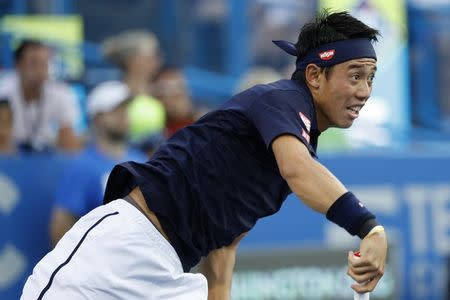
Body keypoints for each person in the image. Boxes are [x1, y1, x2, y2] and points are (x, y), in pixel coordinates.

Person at [21, 10, 388, 299]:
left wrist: (220, 295)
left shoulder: (293, 145)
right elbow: (299, 169)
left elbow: (225, 242)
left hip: (169, 272)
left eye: (370, 78)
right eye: (355, 76)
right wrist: (368, 228)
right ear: (313, 75)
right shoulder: (280, 100)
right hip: (118, 249)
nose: (364, 90)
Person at [49, 81, 146, 245]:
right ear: (97, 119)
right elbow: (60, 228)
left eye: (125, 109)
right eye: (115, 110)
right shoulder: (81, 167)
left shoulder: (142, 160)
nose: (124, 115)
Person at [0, 39, 82, 152]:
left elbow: (69, 140)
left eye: (45, 63)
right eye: (34, 62)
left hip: (48, 153)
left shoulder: (61, 93)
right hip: (9, 153)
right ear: (18, 65)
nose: (40, 69)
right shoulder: (3, 91)